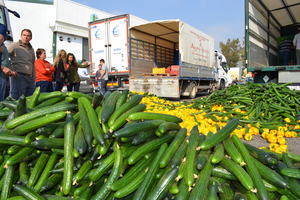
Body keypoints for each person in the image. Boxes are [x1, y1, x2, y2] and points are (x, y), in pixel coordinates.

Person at [8, 29, 35, 100]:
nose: (26, 37)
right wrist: (9, 70)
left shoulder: (31, 49)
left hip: (29, 78)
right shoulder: (14, 46)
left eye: (28, 36)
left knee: (28, 99)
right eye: (24, 35)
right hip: (18, 76)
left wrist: (33, 78)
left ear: (30, 38)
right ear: (21, 36)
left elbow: (32, 64)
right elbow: (5, 56)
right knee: (16, 98)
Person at [0, 33, 14, 101]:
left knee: (4, 100)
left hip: (5, 76)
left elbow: (6, 61)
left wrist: (10, 71)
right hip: (1, 76)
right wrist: (3, 68)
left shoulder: (3, 46)